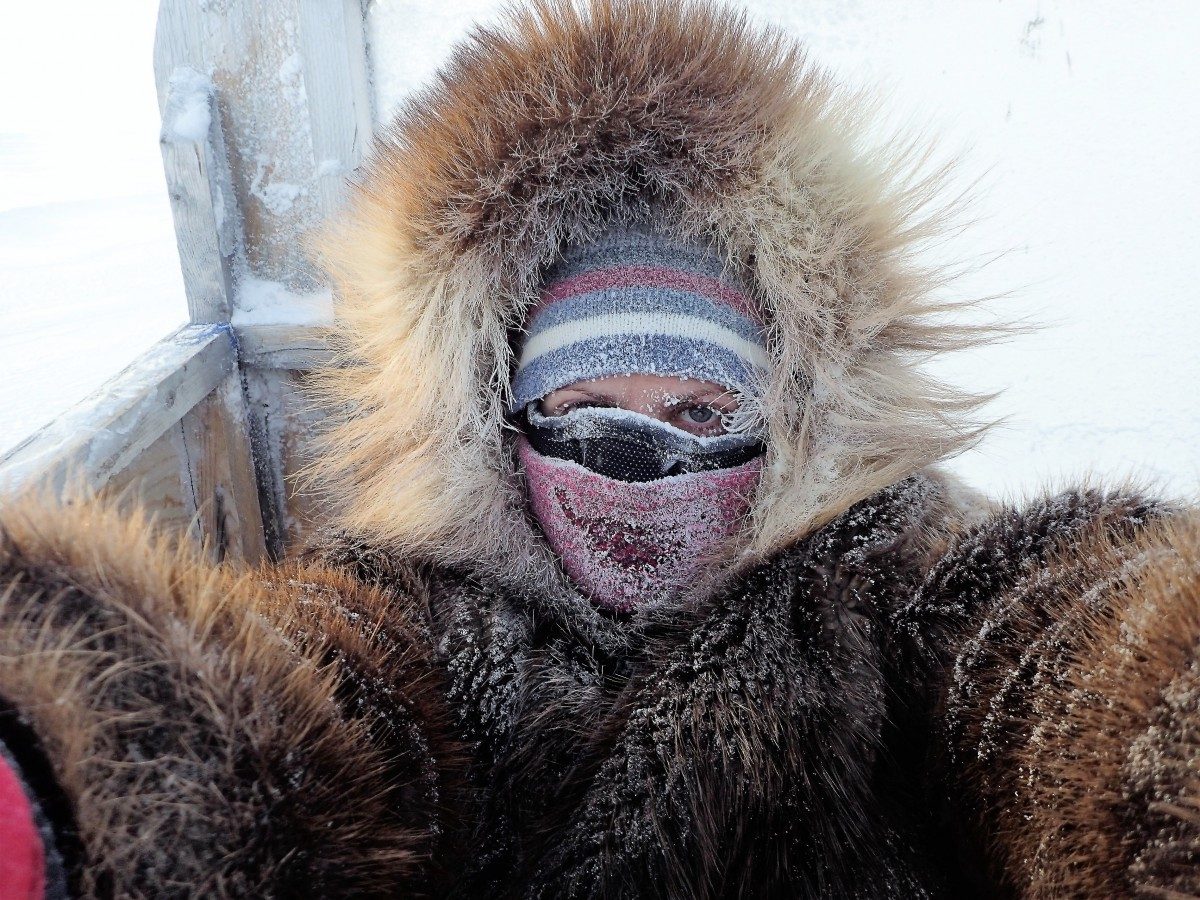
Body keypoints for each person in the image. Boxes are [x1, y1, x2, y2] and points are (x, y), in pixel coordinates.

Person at [1, 1, 1198, 896]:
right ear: (496, 424)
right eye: (583, 409)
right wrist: (75, 763)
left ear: (790, 424)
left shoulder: (894, 584)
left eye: (698, 415)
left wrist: (1162, 726)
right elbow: (305, 710)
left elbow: (1046, 658)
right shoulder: (428, 618)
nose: (635, 460)